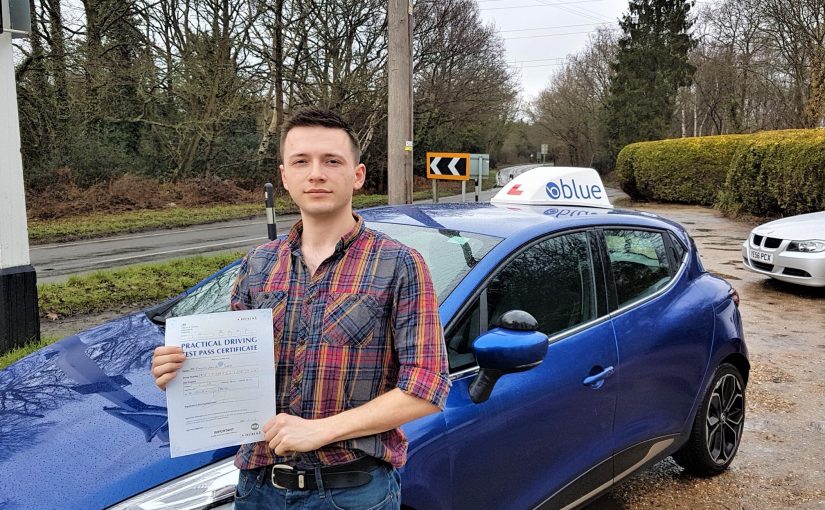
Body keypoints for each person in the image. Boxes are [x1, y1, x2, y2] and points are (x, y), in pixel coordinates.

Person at [151, 108, 450, 509]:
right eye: (301, 162)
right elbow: (235, 368)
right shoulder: (258, 263)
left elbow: (426, 388)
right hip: (257, 488)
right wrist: (183, 371)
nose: (316, 174)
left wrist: (321, 431)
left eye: (331, 161)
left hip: (350, 492)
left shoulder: (400, 264)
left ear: (357, 175)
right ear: (285, 177)